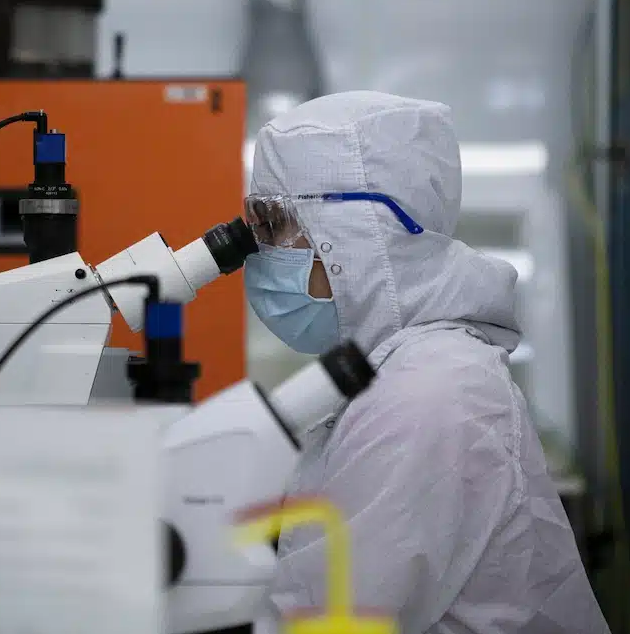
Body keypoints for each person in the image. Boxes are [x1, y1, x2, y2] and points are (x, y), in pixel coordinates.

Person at [243, 91, 609, 634]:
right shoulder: (396, 371)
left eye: (275, 228)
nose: (261, 255)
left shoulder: (430, 392)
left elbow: (324, 622)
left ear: (352, 234)